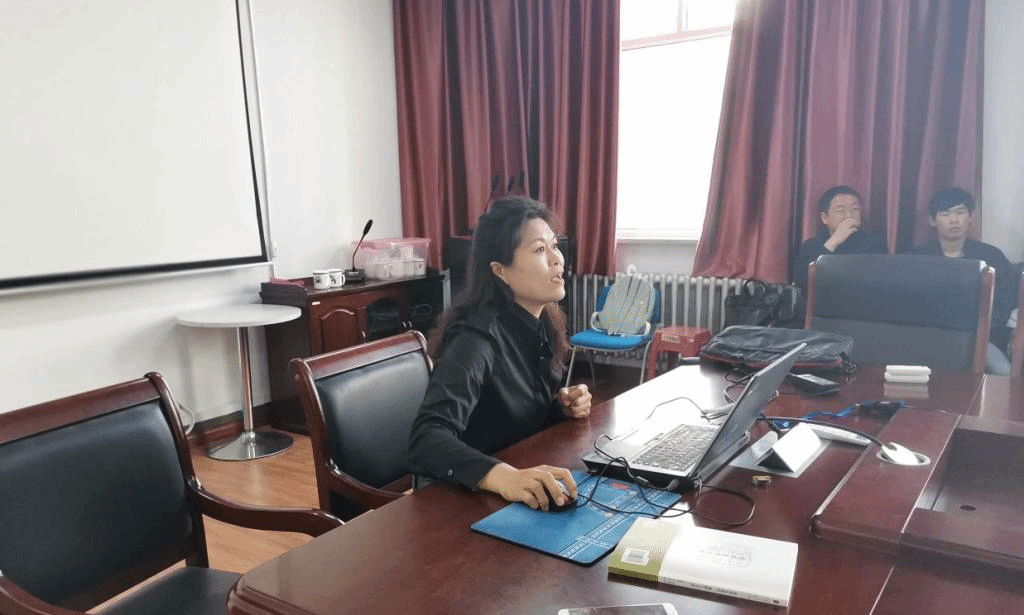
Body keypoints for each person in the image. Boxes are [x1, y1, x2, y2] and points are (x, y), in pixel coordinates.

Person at [408, 196, 592, 510]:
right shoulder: (475, 338)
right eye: (539, 250)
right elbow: (426, 439)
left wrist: (560, 407)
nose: (557, 260)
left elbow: (512, 420)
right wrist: (504, 477)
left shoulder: (542, 321)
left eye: (554, 246)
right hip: (462, 498)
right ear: (500, 271)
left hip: (518, 478)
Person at [911, 187, 1018, 375]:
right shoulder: (918, 258)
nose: (954, 220)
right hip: (929, 336)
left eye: (960, 212)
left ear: (970, 216)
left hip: (981, 338)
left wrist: (977, 327)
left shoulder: (991, 256)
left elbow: (1003, 303)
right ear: (932, 220)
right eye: (945, 214)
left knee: (1004, 374)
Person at [792, 185, 887, 288]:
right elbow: (802, 280)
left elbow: (879, 279)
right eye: (841, 211)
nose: (849, 216)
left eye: (855, 209)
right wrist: (833, 242)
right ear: (824, 218)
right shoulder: (811, 246)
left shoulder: (875, 244)